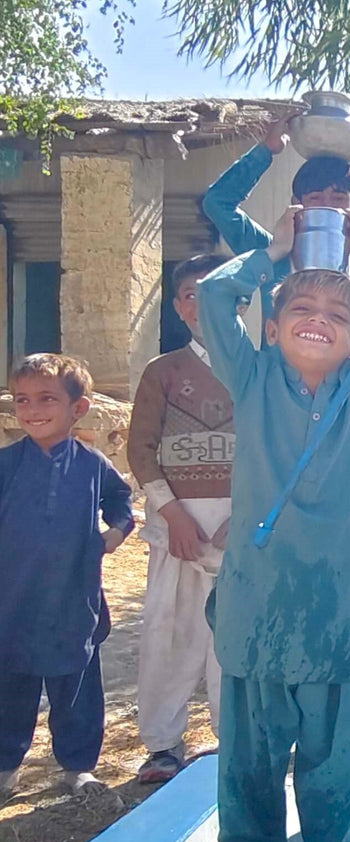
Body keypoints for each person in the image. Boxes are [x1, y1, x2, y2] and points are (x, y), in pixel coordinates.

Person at [197, 203, 350, 842]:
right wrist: (277, 251)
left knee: (341, 738)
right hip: (258, 595)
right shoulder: (252, 376)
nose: (317, 316)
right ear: (269, 326)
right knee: (252, 741)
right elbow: (211, 294)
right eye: (300, 305)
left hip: (339, 598)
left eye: (338, 312)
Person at [128, 254, 241, 784]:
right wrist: (171, 512)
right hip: (176, 525)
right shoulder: (163, 371)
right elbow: (141, 447)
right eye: (193, 294)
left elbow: (278, 451)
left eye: (217, 292)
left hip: (241, 528)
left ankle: (234, 741)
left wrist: (244, 516)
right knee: (169, 629)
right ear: (178, 305)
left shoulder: (259, 367)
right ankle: (163, 744)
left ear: (240, 300)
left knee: (233, 636)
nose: (203, 304)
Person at [0, 354, 133, 797]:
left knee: (74, 686)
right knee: (11, 686)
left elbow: (120, 501)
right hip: (13, 599)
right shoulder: (7, 465)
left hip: (74, 598)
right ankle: (5, 764)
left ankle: (78, 765)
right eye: (22, 400)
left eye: (46, 399)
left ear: (79, 407)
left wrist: (115, 533)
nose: (32, 410)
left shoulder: (93, 464)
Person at [202, 110, 350, 318]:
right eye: (315, 198)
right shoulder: (273, 257)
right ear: (296, 206)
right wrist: (266, 150)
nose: (327, 207)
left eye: (338, 199)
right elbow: (217, 203)